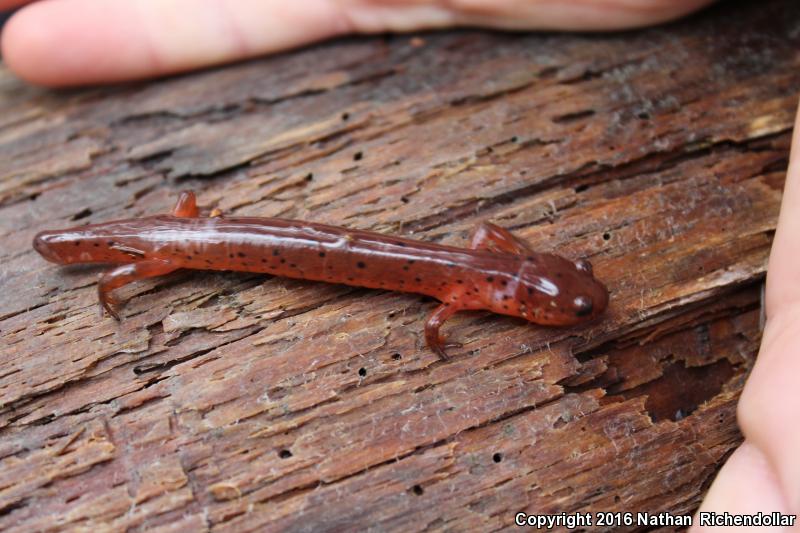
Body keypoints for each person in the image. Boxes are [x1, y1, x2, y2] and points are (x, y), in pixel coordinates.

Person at [2, 1, 797, 529]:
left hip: (201, 237)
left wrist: (511, 265)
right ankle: (116, 265)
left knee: (178, 239)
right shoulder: (467, 284)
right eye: (572, 295)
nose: (580, 297)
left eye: (577, 293)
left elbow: (479, 255)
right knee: (154, 252)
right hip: (187, 241)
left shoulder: (473, 275)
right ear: (523, 300)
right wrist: (455, 324)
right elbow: (446, 307)